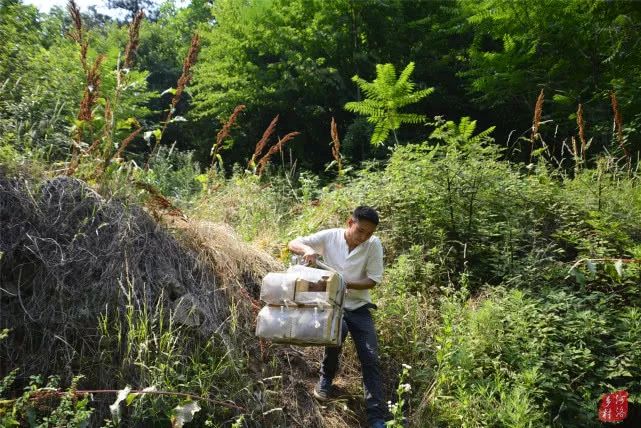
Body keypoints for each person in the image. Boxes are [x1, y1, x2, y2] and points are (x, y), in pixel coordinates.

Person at [288, 206, 388, 428]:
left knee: (370, 357)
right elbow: (293, 243)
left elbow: (373, 280)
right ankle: (325, 380)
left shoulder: (373, 245)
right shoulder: (330, 236)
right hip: (333, 305)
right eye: (360, 231)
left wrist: (342, 282)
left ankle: (376, 416)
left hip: (360, 307)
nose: (363, 237)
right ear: (349, 222)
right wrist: (307, 249)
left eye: (369, 234)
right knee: (336, 335)